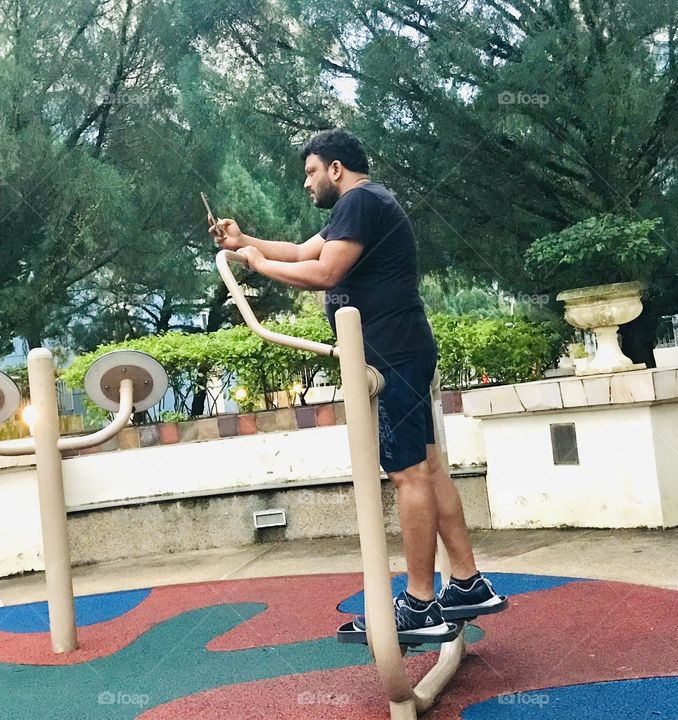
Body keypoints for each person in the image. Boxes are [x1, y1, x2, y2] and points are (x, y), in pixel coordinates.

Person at [209, 128, 506, 642]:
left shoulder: (361, 201)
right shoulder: (364, 204)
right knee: (429, 467)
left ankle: (418, 604)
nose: (307, 182)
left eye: (311, 171)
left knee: (408, 473)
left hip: (389, 351)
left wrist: (259, 267)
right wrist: (245, 243)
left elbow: (324, 273)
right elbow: (303, 251)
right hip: (401, 345)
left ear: (337, 169)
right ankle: (465, 582)